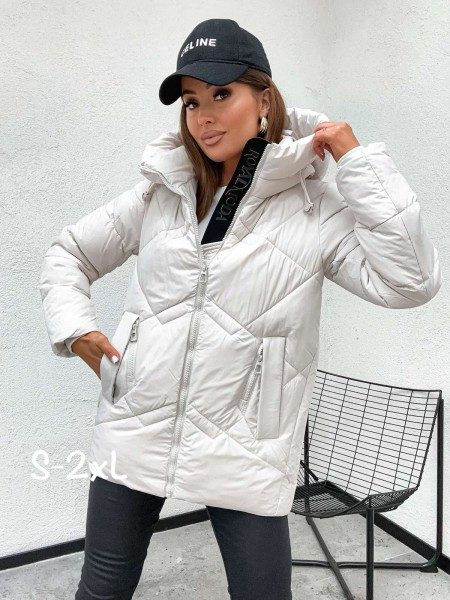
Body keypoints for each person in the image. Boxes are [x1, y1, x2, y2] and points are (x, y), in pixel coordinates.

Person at [38, 17, 442, 600]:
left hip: (247, 441)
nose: (203, 116)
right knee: (101, 588)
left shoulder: (313, 207)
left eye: (221, 94)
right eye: (191, 101)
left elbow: (411, 282)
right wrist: (77, 330)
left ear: (264, 99)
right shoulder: (162, 190)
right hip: (135, 424)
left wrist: (357, 163)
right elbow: (68, 254)